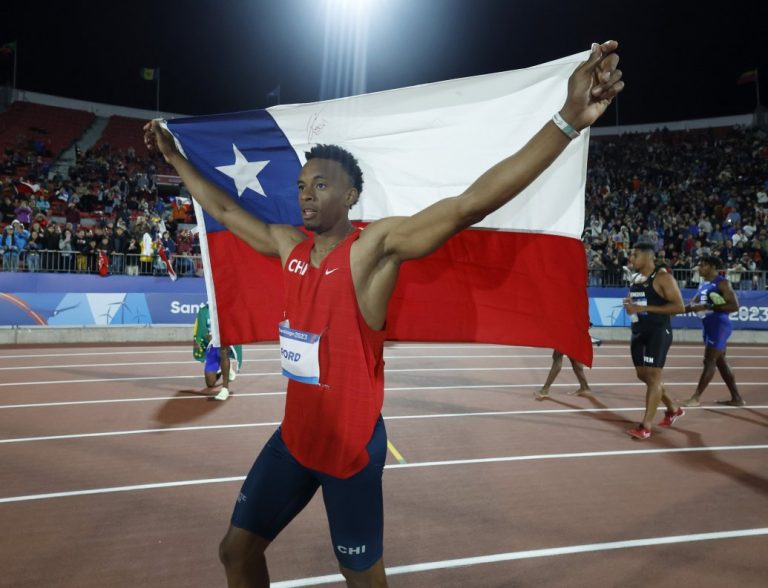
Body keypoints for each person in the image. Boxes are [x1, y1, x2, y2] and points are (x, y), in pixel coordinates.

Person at [145, 41, 623, 587]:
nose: (305, 195)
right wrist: (175, 157)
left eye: (320, 185)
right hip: (294, 442)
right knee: (235, 552)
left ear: (351, 196)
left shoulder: (374, 250)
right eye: (301, 186)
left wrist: (567, 121)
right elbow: (226, 208)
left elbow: (470, 205)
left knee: (365, 581)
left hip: (349, 452)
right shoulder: (288, 245)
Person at [623, 242, 686, 440]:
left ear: (648, 257)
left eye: (634, 255)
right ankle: (673, 408)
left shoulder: (662, 278)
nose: (631, 259)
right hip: (638, 332)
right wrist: (629, 304)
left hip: (658, 332)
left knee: (654, 377)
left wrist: (645, 309)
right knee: (644, 376)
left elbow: (679, 307)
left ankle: (645, 426)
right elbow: (637, 301)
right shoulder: (635, 277)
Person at [681, 256, 745, 407]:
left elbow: (734, 306)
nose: (699, 268)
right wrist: (670, 312)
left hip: (719, 325)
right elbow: (691, 305)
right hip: (709, 326)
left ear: (711, 267)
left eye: (702, 265)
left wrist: (708, 307)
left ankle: (696, 397)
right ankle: (737, 398)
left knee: (709, 360)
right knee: (721, 362)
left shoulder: (722, 283)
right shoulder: (703, 285)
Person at [193, 302, 242, 401]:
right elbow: (201, 332)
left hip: (225, 342)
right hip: (211, 345)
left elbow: (234, 327)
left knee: (223, 351)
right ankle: (224, 370)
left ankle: (225, 388)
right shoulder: (204, 311)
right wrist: (198, 340)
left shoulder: (227, 308)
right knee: (210, 383)